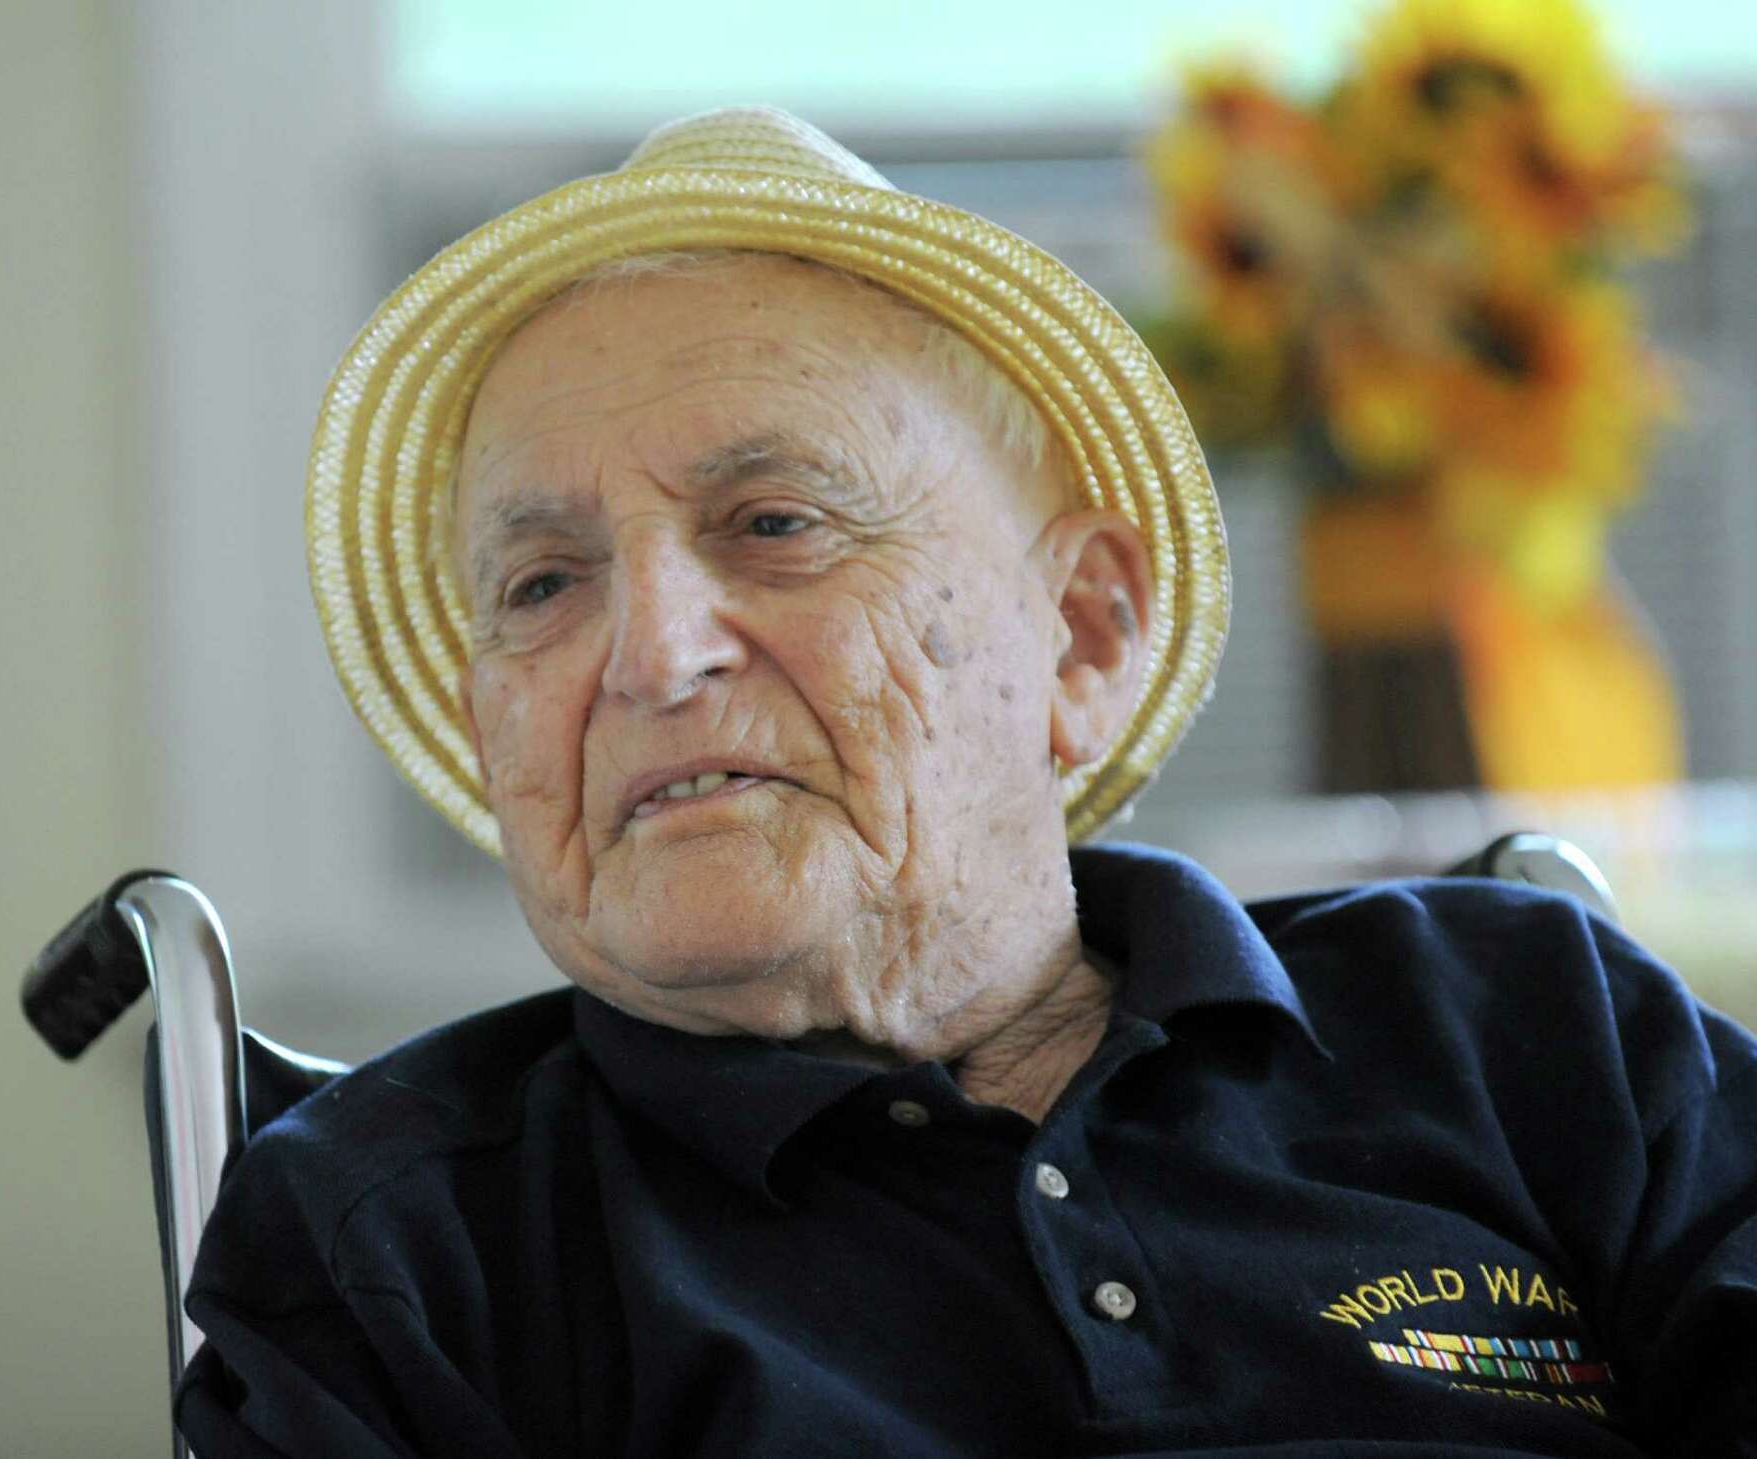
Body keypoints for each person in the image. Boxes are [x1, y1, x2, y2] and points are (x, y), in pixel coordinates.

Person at [176, 109, 1756, 1457]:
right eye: (540, 585)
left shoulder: (1522, 1028)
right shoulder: (401, 1244)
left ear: (1082, 633)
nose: (652, 655)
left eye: (775, 524)